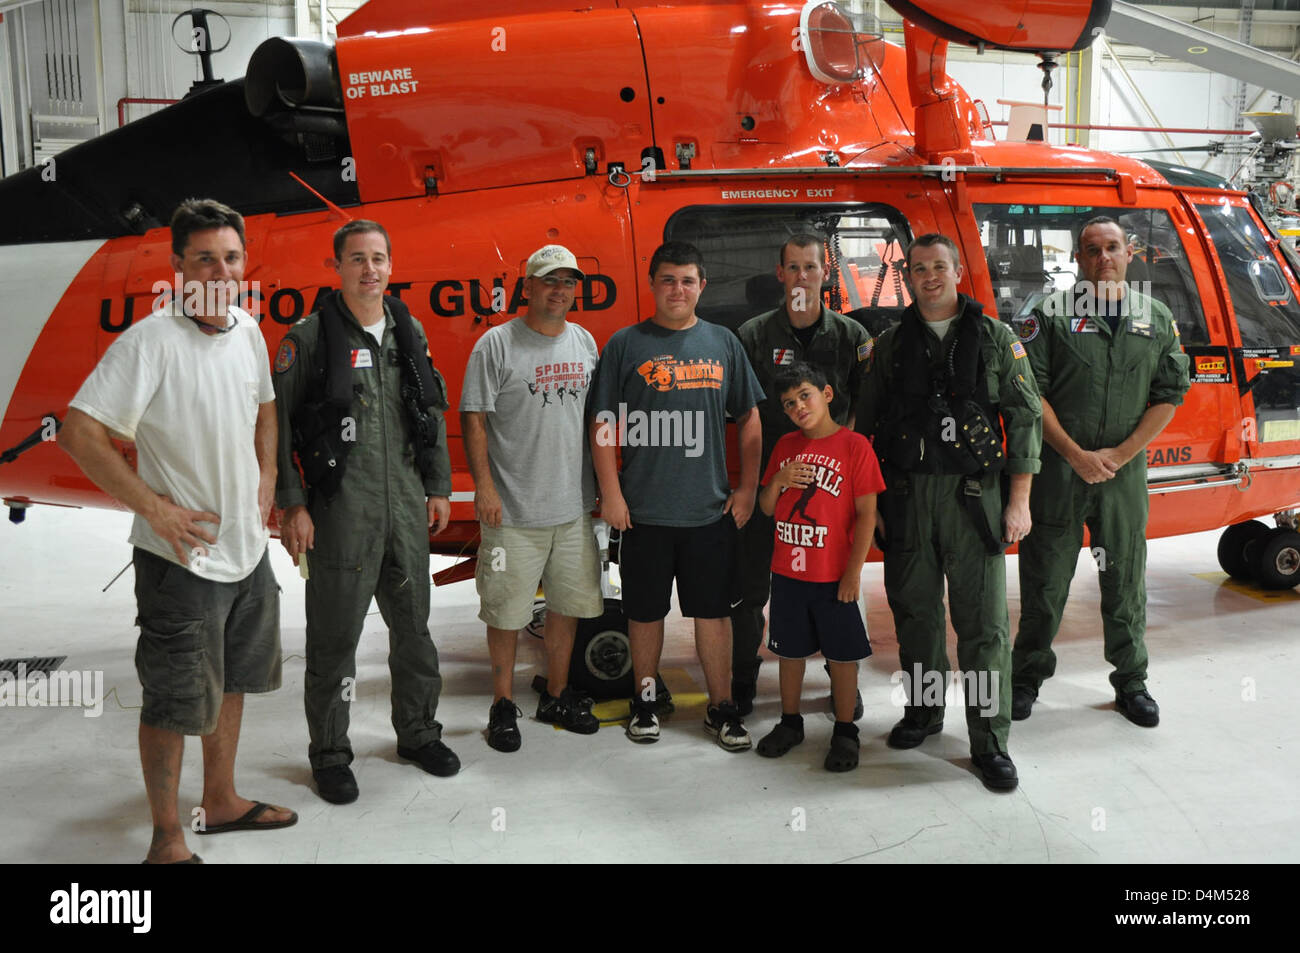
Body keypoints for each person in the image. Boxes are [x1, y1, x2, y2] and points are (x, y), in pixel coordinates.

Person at [59, 198, 296, 863]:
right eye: (205, 258)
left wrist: (269, 473)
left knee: (233, 681)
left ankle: (219, 801)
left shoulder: (247, 328)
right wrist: (154, 509)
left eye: (231, 256)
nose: (221, 269)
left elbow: (266, 407)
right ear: (178, 266)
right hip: (181, 561)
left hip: (247, 553)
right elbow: (80, 432)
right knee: (172, 699)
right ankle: (166, 837)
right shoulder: (151, 341)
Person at [273, 220, 457, 804]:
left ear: (391, 265)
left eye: (378, 257)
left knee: (415, 632)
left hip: (405, 506)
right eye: (357, 258)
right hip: (340, 512)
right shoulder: (308, 339)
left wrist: (437, 484)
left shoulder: (408, 329)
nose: (369, 269)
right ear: (338, 267)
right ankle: (329, 753)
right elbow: (275, 430)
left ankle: (419, 733)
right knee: (334, 640)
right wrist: (292, 504)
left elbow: (428, 406)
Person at [855, 233, 1042, 791]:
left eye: (939, 266)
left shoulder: (994, 338)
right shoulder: (889, 346)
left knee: (983, 629)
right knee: (915, 617)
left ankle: (989, 742)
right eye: (919, 268)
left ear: (957, 271)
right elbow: (863, 432)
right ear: (907, 275)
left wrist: (1019, 501)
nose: (929, 276)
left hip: (973, 502)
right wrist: (874, 508)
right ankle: (925, 713)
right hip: (908, 501)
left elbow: (1026, 418)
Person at [1011, 216, 1190, 727]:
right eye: (1092, 250)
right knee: (1045, 580)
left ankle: (1131, 683)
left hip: (1123, 477)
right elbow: (1030, 394)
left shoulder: (1154, 318)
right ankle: (1025, 678)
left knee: (1125, 579)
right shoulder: (1049, 315)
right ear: (1077, 259)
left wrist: (1122, 454)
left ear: (1129, 253)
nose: (1103, 258)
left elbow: (1169, 394)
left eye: (1112, 248)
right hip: (1059, 474)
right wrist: (1074, 454)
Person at [589, 241, 764, 750]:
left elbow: (749, 417)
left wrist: (748, 488)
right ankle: (644, 702)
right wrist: (611, 493)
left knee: (714, 615)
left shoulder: (723, 342)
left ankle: (722, 708)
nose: (677, 290)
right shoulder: (625, 344)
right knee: (644, 615)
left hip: (709, 514)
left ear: (701, 286)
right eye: (668, 280)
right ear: (652, 283)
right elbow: (602, 424)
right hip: (642, 514)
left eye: (687, 280)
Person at [460, 244, 605, 751]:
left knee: (567, 607)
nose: (559, 290)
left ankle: (557, 694)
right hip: (513, 511)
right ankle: (502, 704)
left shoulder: (585, 341)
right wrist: (484, 486)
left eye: (568, 282)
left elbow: (596, 421)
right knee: (504, 613)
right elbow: (473, 416)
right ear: (528, 287)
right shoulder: (496, 345)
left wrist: (605, 490)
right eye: (549, 281)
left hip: (572, 509)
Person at [733, 233, 872, 715]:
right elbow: (744, 416)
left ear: (825, 274)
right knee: (753, 588)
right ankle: (742, 683)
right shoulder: (753, 336)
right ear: (779, 275)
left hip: (831, 491)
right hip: (772, 488)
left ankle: (842, 683)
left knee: (834, 586)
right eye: (792, 268)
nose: (801, 277)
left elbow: (862, 409)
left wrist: (841, 459)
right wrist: (752, 488)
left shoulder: (852, 337)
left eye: (810, 268)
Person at [754, 363, 883, 771]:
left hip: (833, 576)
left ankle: (846, 732)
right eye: (789, 404)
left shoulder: (854, 446)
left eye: (804, 396)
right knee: (789, 652)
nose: (798, 407)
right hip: (789, 572)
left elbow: (866, 515)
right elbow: (767, 508)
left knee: (843, 656)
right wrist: (779, 479)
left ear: (826, 394)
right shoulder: (785, 447)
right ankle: (790, 723)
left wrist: (853, 572)